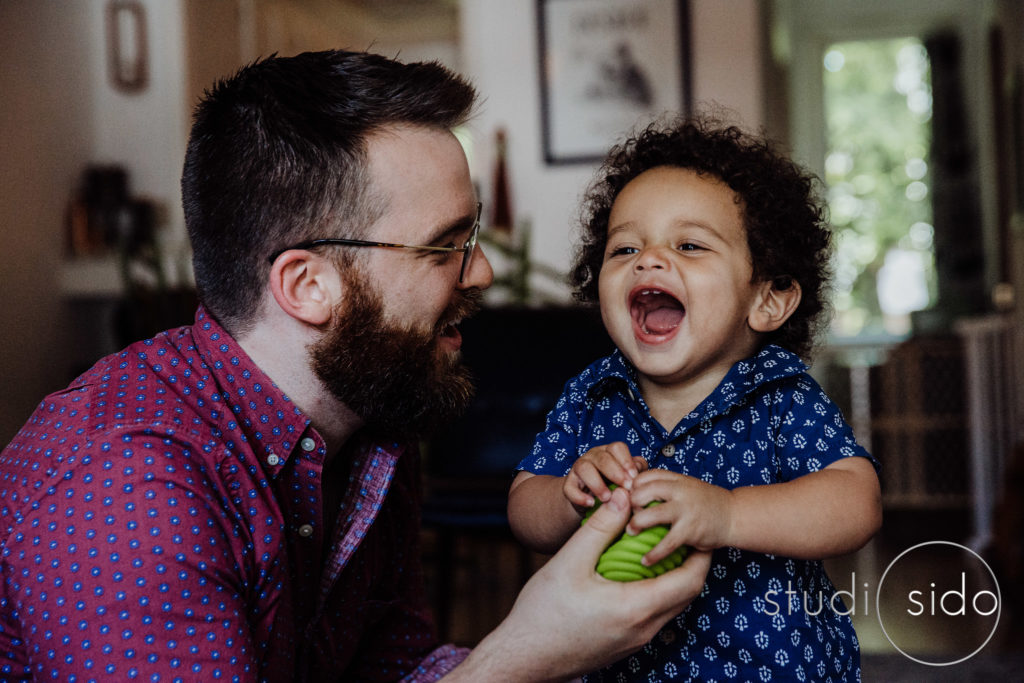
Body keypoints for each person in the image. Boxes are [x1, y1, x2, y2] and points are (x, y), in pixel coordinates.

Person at [0, 51, 712, 682]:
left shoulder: (370, 425)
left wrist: (563, 639)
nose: (485, 271)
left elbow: (391, 667)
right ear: (308, 285)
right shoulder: (127, 488)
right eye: (445, 247)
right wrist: (528, 651)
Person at [508, 116, 883, 681]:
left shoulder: (779, 393)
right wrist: (568, 497)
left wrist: (728, 515)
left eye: (689, 244)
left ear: (768, 299)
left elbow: (856, 503)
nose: (649, 259)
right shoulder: (592, 391)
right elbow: (523, 507)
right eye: (624, 247)